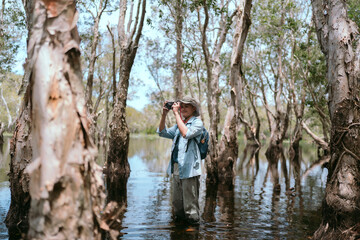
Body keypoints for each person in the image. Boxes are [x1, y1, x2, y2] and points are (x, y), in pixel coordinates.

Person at [157, 96, 203, 225]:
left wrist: (176, 113)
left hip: (190, 169)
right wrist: (164, 115)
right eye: (181, 106)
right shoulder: (179, 124)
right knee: (177, 204)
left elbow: (186, 134)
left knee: (190, 205)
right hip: (177, 167)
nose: (183, 109)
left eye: (186, 106)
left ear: (194, 108)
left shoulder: (197, 123)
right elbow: (162, 132)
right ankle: (179, 229)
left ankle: (193, 229)